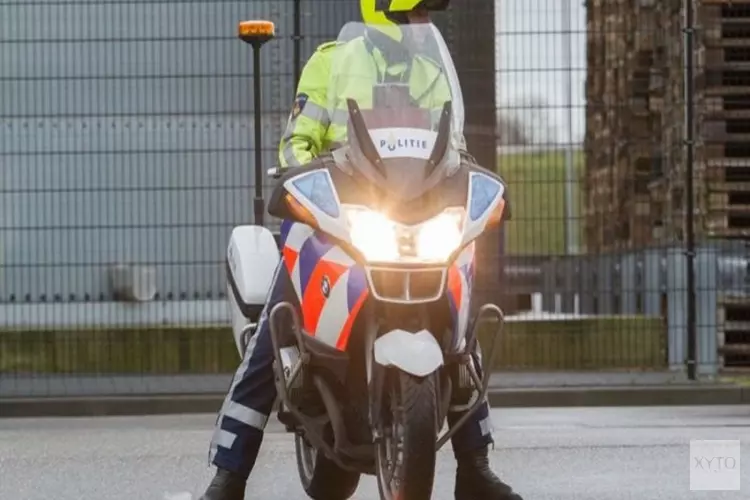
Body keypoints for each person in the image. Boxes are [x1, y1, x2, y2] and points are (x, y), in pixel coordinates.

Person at [198, 1, 523, 499]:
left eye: (424, 18)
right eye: (414, 15)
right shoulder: (333, 59)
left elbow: (450, 146)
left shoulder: (430, 71)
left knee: (460, 326)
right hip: (335, 214)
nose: (423, 24)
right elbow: (296, 142)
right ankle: (229, 474)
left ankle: (474, 468)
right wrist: (300, 178)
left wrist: (464, 175)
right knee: (276, 322)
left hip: (410, 216)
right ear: (382, 13)